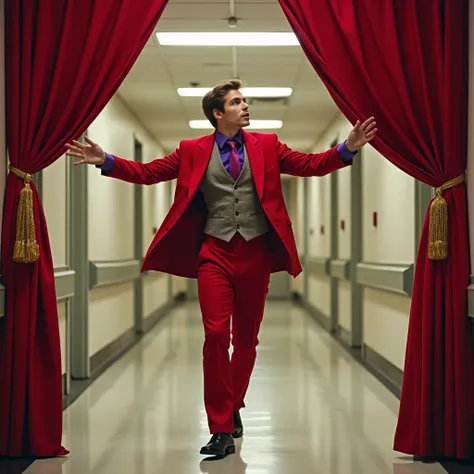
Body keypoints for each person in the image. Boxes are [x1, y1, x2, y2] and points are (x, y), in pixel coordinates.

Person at [65, 79, 377, 457]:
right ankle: (220, 428)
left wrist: (348, 148)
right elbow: (148, 173)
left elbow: (311, 165)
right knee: (215, 335)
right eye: (236, 102)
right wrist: (107, 161)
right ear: (217, 113)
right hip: (214, 252)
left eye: (245, 101)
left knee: (246, 341)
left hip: (256, 254)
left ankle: (233, 405)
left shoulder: (268, 146)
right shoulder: (191, 150)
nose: (245, 106)